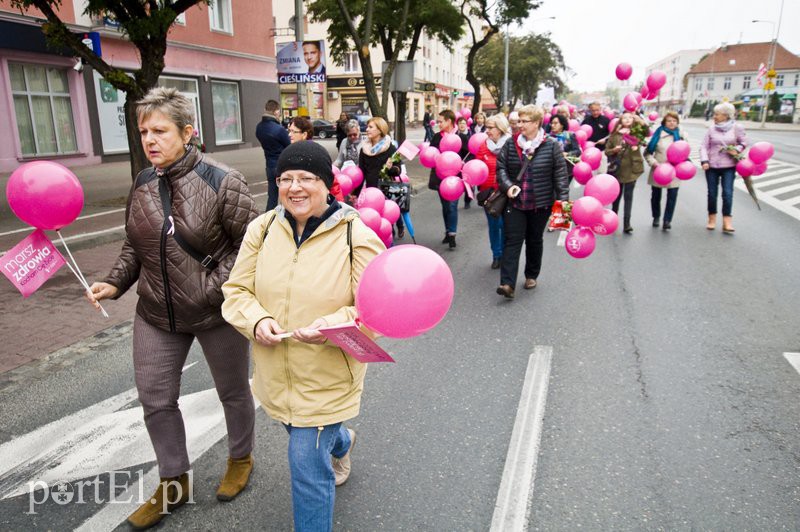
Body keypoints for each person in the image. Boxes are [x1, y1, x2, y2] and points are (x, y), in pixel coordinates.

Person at [86, 87, 258, 529]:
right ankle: (173, 481)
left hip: (214, 312)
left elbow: (250, 249)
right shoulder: (143, 182)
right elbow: (135, 243)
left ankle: (240, 458)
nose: (150, 139)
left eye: (160, 130)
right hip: (156, 314)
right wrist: (114, 281)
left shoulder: (224, 180)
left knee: (233, 391)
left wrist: (209, 289)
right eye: (144, 131)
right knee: (156, 400)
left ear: (187, 132)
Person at [221, 141, 385, 532]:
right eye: (285, 179)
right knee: (295, 427)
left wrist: (329, 326)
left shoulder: (355, 235)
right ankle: (342, 440)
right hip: (276, 370)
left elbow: (375, 308)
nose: (295, 187)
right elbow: (236, 290)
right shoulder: (261, 230)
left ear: (327, 184)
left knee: (306, 467)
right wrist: (256, 320)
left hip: (327, 375)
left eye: (307, 178)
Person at [496, 104, 569, 299]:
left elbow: (560, 177)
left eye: (524, 121)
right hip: (516, 203)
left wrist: (563, 211)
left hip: (541, 204)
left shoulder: (551, 145)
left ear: (536, 123)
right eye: (518, 121)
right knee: (512, 241)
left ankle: (531, 275)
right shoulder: (511, 144)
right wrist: (507, 185)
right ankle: (507, 283)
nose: (519, 124)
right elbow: (500, 167)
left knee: (534, 240)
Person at [699, 102, 747, 233]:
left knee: (727, 193)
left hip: (729, 166)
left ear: (726, 115)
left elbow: (743, 143)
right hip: (712, 166)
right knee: (712, 194)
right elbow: (704, 146)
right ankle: (712, 219)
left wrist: (736, 149)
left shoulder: (737, 128)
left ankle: (727, 221)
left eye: (717, 114)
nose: (714, 116)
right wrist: (704, 161)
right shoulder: (711, 129)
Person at [357, 117, 404, 236]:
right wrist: (356, 194)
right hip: (371, 191)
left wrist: (390, 169)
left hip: (386, 188)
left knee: (388, 219)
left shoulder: (390, 148)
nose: (367, 129)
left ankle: (397, 228)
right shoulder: (364, 149)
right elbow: (361, 173)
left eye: (371, 127)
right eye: (367, 127)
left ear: (380, 130)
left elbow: (397, 170)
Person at [476, 113, 511, 269]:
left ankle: (505, 253)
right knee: (494, 225)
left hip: (506, 193)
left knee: (505, 225)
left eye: (490, 127)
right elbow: (476, 168)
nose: (487, 130)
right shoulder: (483, 146)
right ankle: (496, 255)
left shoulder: (511, 145)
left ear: (500, 129)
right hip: (488, 194)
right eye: (486, 127)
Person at [604, 111, 646, 234]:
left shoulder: (636, 133)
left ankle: (627, 223)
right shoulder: (615, 135)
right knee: (616, 196)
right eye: (624, 118)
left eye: (630, 118)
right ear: (620, 121)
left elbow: (647, 133)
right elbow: (607, 151)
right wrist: (614, 150)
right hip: (617, 169)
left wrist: (639, 120)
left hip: (632, 169)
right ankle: (613, 219)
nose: (627, 120)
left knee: (629, 197)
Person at [645, 111, 687, 231]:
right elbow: (648, 153)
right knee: (656, 195)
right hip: (659, 170)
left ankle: (667, 220)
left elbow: (685, 151)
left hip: (675, 170)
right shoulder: (658, 134)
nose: (672, 123)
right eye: (669, 121)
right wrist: (654, 163)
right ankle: (656, 216)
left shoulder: (681, 135)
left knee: (672, 196)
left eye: (674, 121)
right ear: (664, 122)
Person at [428, 109, 459, 249]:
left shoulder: (460, 136)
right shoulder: (436, 137)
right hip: (440, 177)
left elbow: (469, 154)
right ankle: (448, 230)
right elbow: (430, 154)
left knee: (452, 206)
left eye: (441, 121)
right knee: (445, 206)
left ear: (449, 121)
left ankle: (452, 234)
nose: (438, 124)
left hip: (455, 178)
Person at [257, 99, 291, 211]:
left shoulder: (259, 127)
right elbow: (289, 146)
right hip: (282, 165)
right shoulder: (279, 129)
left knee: (272, 196)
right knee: (288, 195)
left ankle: (268, 220)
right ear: (276, 111)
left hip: (269, 165)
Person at [548, 114, 581, 182]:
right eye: (551, 123)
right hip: (551, 170)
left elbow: (577, 151)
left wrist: (567, 154)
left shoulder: (569, 136)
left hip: (566, 170)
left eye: (555, 123)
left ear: (562, 125)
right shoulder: (548, 137)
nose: (553, 125)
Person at [456, 116, 474, 208]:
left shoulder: (471, 135)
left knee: (468, 183)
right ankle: (454, 200)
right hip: (456, 163)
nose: (462, 125)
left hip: (467, 163)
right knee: (456, 183)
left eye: (463, 123)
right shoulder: (454, 136)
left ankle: (467, 201)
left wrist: (467, 161)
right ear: (457, 125)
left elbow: (473, 151)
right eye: (460, 123)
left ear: (466, 125)